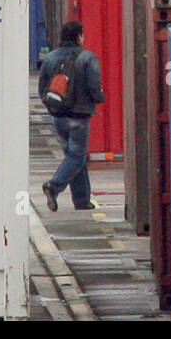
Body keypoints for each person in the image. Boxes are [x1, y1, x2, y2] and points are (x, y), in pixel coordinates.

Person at [38, 20, 105, 212]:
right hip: (79, 116)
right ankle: (54, 186)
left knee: (74, 156)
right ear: (79, 36)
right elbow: (94, 87)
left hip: (58, 116)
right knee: (76, 157)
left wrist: (53, 106)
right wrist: (98, 98)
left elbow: (42, 87)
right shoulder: (88, 58)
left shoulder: (50, 58)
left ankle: (82, 200)